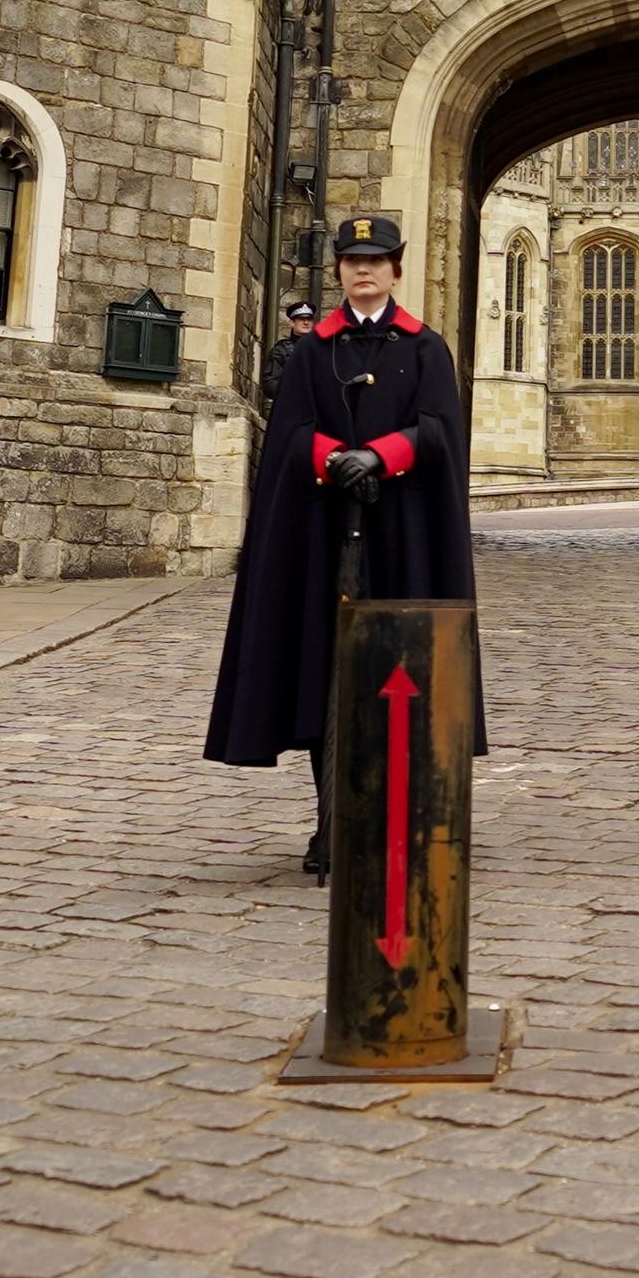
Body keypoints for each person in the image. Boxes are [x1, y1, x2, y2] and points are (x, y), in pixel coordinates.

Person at [203, 210, 475, 876]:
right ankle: (332, 822)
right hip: (325, 539)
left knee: (397, 681)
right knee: (324, 679)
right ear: (339, 272)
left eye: (376, 261)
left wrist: (382, 456)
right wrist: (331, 458)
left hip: (402, 541)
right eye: (353, 262)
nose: (364, 271)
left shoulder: (424, 348)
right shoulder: (311, 351)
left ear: (395, 269)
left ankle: (389, 820)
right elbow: (289, 435)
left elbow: (441, 431)